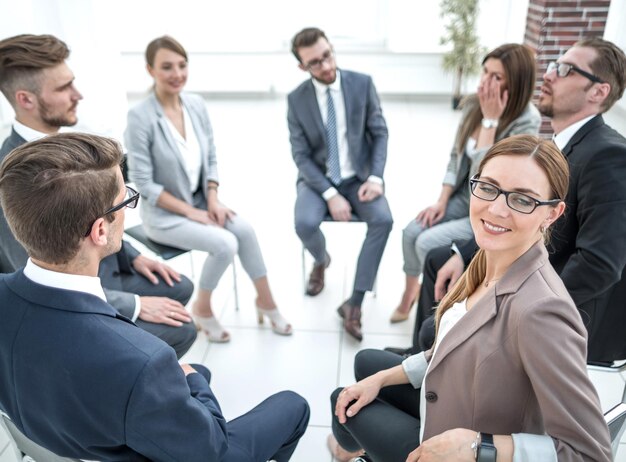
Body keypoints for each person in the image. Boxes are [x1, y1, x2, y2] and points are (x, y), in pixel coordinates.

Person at [0, 132, 310, 461]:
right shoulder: (142, 363)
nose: (129, 207)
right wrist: (194, 383)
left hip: (55, 439)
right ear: (100, 231)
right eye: (125, 201)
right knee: (293, 405)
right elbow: (209, 451)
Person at [328, 135, 611, 462]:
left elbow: (591, 453)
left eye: (522, 200)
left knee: (342, 404)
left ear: (552, 214)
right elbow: (455, 342)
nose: (496, 209)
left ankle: (350, 452)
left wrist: (480, 446)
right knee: (367, 365)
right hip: (449, 403)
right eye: (488, 187)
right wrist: (381, 380)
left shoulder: (542, 312)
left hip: (461, 447)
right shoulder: (491, 256)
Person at [389, 37, 626, 364]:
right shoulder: (560, 144)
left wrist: (515, 309)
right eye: (553, 65)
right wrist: (466, 252)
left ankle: (432, 369)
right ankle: (423, 361)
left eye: (565, 69)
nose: (548, 75)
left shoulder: (609, 155)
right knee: (438, 259)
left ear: (598, 91)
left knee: (435, 326)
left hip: (551, 302)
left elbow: (599, 264)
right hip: (524, 265)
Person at [0, 33, 196, 358]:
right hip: (69, 300)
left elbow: (105, 210)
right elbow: (40, 279)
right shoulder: (13, 178)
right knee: (182, 330)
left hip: (101, 265)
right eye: (63, 88)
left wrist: (133, 256)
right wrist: (135, 305)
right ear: (26, 100)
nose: (78, 95)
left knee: (180, 286)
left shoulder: (69, 145)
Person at [125, 35, 292, 343]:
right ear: (150, 70)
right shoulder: (140, 118)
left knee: (244, 230)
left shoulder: (196, 105)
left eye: (182, 65)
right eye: (167, 67)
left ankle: (266, 302)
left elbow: (211, 157)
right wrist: (193, 213)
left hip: (202, 202)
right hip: (164, 216)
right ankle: (202, 308)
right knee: (225, 244)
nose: (177, 74)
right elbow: (144, 184)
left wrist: (213, 200)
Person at [391, 43, 541, 324]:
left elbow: (485, 181)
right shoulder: (475, 103)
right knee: (411, 231)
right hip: (461, 195)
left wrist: (491, 122)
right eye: (485, 72)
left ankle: (434, 308)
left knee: (426, 243)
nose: (486, 82)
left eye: (497, 77)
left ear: (516, 83)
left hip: (489, 205)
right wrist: (442, 200)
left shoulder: (526, 121)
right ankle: (409, 294)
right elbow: (455, 156)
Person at [287, 27, 393, 341]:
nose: (326, 66)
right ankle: (321, 260)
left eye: (327, 56)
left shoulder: (362, 83)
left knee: (384, 220)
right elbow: (301, 155)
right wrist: (330, 194)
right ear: (302, 67)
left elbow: (380, 133)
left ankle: (354, 303)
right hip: (318, 178)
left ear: (332, 49)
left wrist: (375, 177)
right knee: (304, 223)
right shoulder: (296, 100)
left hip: (358, 176)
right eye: (315, 63)